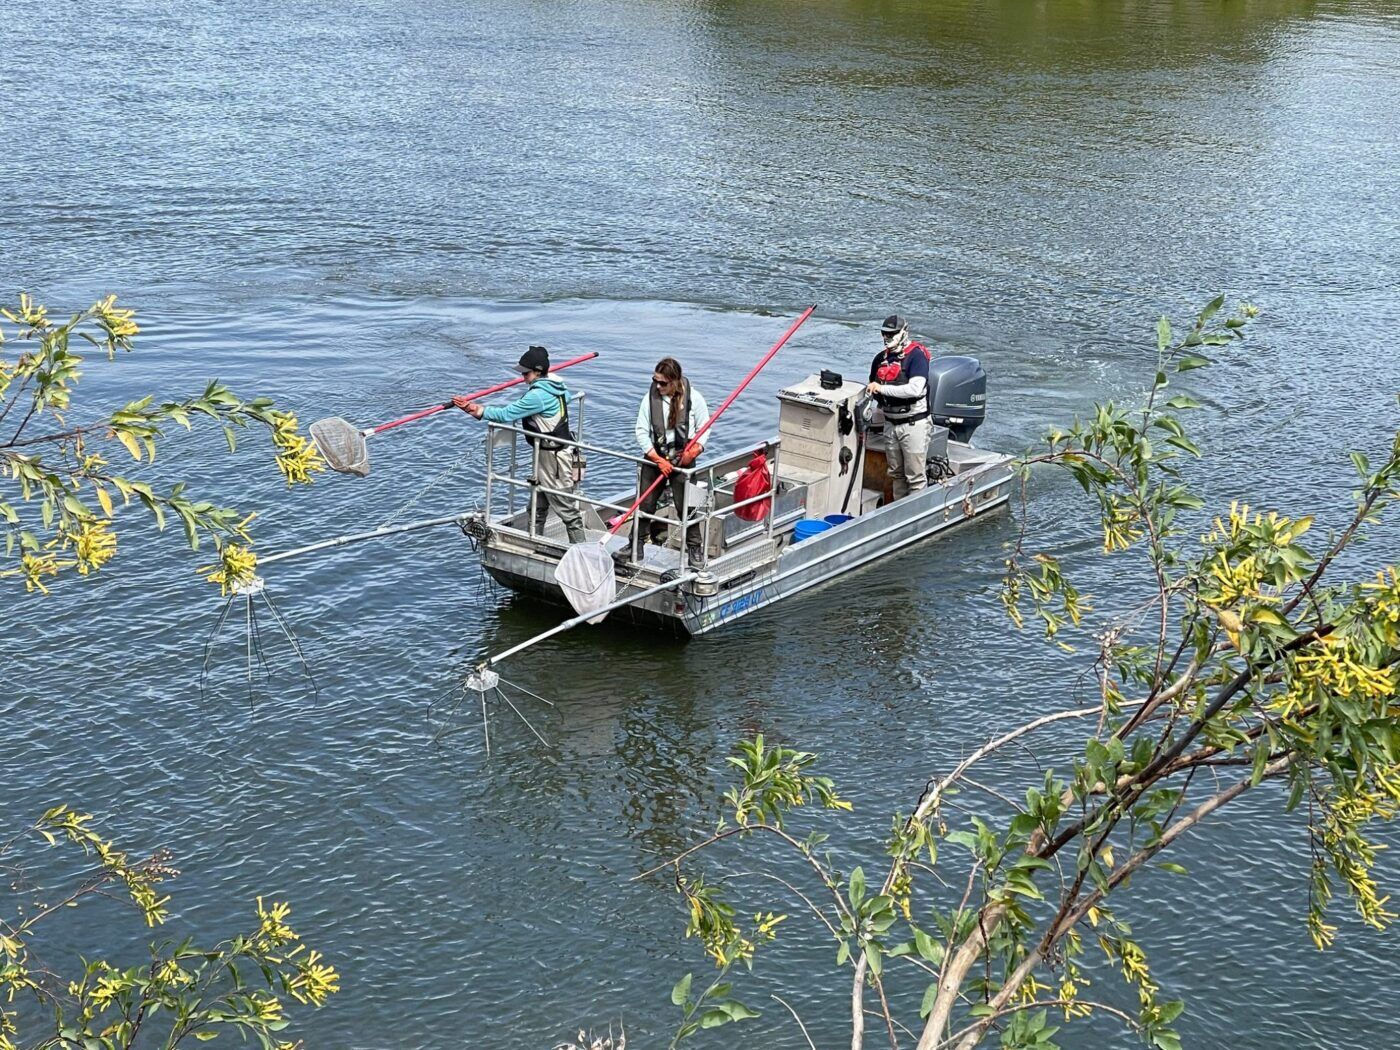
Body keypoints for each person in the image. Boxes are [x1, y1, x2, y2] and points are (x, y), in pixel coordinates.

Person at [455, 345, 586, 543]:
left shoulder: (538, 396)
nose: (523, 377)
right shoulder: (558, 387)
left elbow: (506, 414)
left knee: (565, 507)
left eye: (526, 373)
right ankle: (536, 542)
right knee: (537, 503)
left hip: (553, 459)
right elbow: (564, 398)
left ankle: (582, 552)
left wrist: (476, 410)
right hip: (552, 453)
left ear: (538, 371)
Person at [623, 356, 712, 568]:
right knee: (645, 503)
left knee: (687, 506)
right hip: (656, 458)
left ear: (674, 381)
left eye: (663, 382)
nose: (658, 386)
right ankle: (635, 545)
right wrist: (656, 458)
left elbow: (705, 427)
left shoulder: (694, 399)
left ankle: (694, 549)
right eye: (655, 380)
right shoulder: (649, 399)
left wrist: (696, 450)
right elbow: (641, 431)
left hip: (683, 458)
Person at [866, 314, 933, 500]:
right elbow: (872, 387)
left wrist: (882, 388)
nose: (887, 338)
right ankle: (899, 511)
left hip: (914, 424)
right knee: (896, 473)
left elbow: (915, 389)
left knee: (915, 477)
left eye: (892, 333)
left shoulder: (916, 357)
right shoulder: (880, 359)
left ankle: (917, 516)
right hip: (890, 424)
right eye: (884, 333)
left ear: (904, 332)